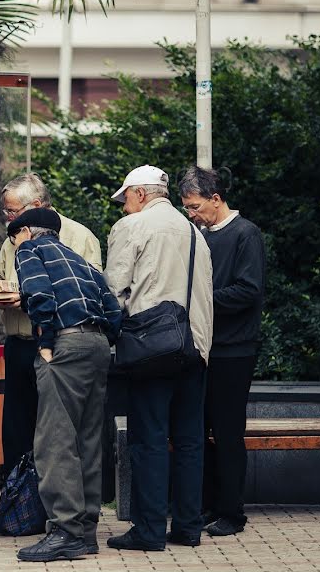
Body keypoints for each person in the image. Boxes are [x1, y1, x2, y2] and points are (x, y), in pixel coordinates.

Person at [104, 165, 214, 551]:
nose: (123, 208)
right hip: (195, 347)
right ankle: (187, 527)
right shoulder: (195, 232)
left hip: (151, 349)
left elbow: (114, 289)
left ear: (139, 194)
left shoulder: (131, 228)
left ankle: (148, 531)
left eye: (125, 200)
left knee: (148, 439)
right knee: (189, 441)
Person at [8, 208, 122, 562]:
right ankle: (86, 531)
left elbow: (39, 295)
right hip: (97, 346)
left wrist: (45, 342)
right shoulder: (80, 260)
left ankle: (65, 531)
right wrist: (105, 340)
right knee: (88, 438)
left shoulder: (30, 251)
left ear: (26, 231)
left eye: (14, 239)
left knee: (54, 441)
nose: (15, 246)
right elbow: (112, 307)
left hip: (65, 347)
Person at [0, 174, 103, 481]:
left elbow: (94, 294)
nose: (7, 218)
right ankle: (18, 508)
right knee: (15, 430)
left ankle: (55, 509)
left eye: (12, 211)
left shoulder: (79, 237)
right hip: (18, 343)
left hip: (58, 346)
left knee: (56, 431)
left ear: (36, 205)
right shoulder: (12, 239)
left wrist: (28, 299)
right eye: (6, 211)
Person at [179, 166, 265, 537]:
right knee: (200, 430)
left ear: (216, 199)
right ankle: (207, 505)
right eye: (186, 207)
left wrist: (202, 301)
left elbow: (249, 290)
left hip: (234, 349)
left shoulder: (246, 234)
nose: (191, 214)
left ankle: (233, 512)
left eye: (195, 206)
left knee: (228, 433)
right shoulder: (199, 235)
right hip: (203, 347)